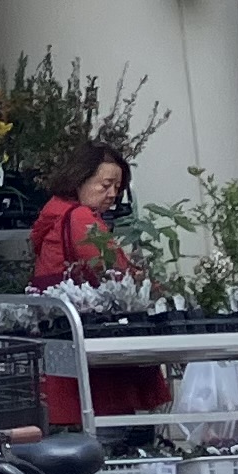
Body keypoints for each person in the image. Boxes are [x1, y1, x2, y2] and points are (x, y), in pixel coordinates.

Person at [29, 138, 166, 422]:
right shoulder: (81, 217)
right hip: (90, 335)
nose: (113, 194)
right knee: (110, 424)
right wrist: (145, 283)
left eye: (117, 187)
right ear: (79, 179)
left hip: (57, 333)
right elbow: (112, 272)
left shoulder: (55, 213)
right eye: (106, 185)